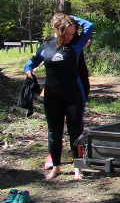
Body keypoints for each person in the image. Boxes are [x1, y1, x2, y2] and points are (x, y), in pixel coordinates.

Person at [25, 13, 94, 181]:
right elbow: (32, 61)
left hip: (74, 96)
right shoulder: (46, 47)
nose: (70, 37)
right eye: (67, 34)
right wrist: (28, 69)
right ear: (58, 30)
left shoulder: (76, 45)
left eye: (72, 33)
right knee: (54, 133)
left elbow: (89, 26)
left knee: (76, 133)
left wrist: (69, 18)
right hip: (52, 97)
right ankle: (56, 167)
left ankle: (79, 167)